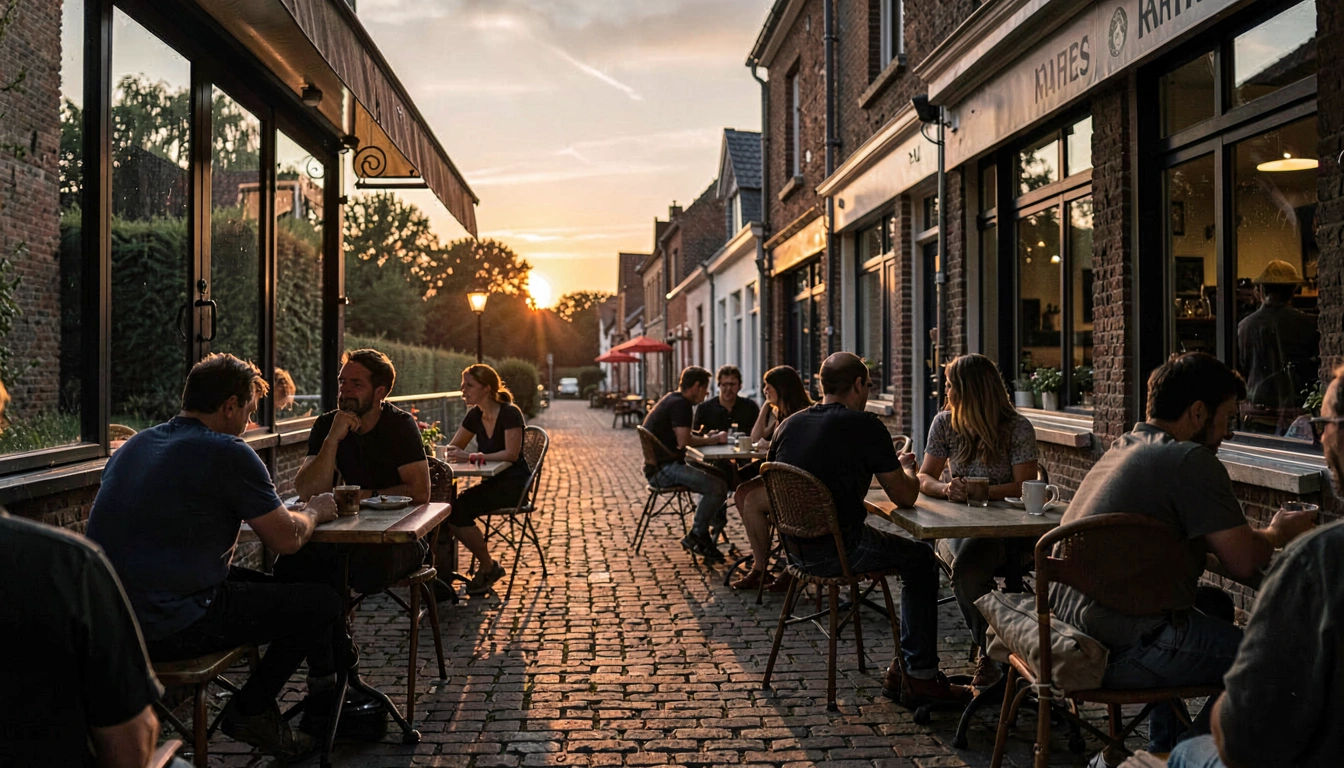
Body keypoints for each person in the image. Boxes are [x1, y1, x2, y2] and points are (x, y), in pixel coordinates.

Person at [1047, 352, 1316, 763]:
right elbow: (1243, 562)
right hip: (1117, 650)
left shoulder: (1126, 446)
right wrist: (1280, 532)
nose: (1228, 433)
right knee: (1279, 662)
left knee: (1214, 606)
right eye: (1227, 418)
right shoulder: (1190, 459)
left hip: (1070, 630)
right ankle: (1181, 757)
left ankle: (1162, 749)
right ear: (1197, 412)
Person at [86, 354, 347, 761]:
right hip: (173, 622)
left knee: (295, 592)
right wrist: (317, 510)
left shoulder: (136, 444)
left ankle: (319, 697)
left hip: (114, 623)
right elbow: (287, 538)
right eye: (247, 411)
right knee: (323, 602)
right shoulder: (228, 451)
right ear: (229, 406)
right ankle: (252, 711)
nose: (247, 422)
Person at [767, 352, 973, 707]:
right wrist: (905, 469)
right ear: (859, 384)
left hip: (797, 553)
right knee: (921, 560)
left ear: (821, 385)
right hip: (842, 550)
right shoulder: (865, 425)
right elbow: (906, 497)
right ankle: (919, 677)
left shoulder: (789, 425)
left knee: (912, 556)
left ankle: (902, 669)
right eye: (868, 385)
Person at [1167, 367, 1344, 768]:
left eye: (1322, 424)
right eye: (1229, 419)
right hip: (1140, 634)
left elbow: (1241, 741)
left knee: (1186, 752)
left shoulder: (1320, 560)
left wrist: (1278, 536)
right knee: (1212, 607)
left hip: (1108, 633)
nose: (1319, 439)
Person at [917, 354, 1038, 686]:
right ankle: (997, 656)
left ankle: (995, 657)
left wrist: (983, 490)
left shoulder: (1017, 427)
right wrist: (945, 489)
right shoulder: (944, 423)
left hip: (1009, 532)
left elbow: (1025, 486)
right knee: (963, 571)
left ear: (968, 390)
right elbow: (924, 476)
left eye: (950, 385)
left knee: (967, 574)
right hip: (958, 526)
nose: (946, 391)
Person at [295, 348, 430, 506]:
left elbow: (420, 492)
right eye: (342, 381)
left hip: (395, 520)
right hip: (345, 522)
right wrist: (331, 440)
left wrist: (364, 496)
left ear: (380, 392)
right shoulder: (327, 424)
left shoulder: (399, 425)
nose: (345, 389)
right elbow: (307, 493)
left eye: (356, 384)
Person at [441, 364, 528, 596]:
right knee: (451, 511)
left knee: (456, 512)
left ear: (487, 389)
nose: (462, 390)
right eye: (462, 384)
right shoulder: (475, 415)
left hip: (513, 485)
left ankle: (488, 567)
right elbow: (453, 447)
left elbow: (511, 454)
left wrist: (470, 457)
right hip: (491, 483)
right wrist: (448, 452)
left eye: (469, 385)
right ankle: (483, 567)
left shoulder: (510, 413)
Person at [730, 365, 813, 591]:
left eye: (769, 386)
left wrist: (771, 445)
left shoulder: (801, 414)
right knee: (741, 492)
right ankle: (762, 564)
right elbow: (756, 438)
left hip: (799, 484)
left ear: (782, 388)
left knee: (752, 501)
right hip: (779, 475)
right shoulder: (781, 412)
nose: (765, 389)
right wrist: (767, 405)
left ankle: (767, 566)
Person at [642, 365, 731, 562]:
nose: (707, 393)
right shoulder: (681, 405)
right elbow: (684, 441)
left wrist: (702, 437)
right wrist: (714, 439)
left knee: (719, 476)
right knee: (718, 487)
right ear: (696, 386)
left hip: (659, 467)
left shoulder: (671, 399)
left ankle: (705, 532)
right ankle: (698, 534)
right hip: (664, 471)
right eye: (705, 388)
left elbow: (679, 435)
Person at [1235, 259, 1319, 435]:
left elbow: (1242, 369)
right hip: (1295, 415)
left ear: (1262, 290)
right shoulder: (1308, 324)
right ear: (1293, 290)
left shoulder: (1244, 326)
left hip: (1255, 414)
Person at [692, 364, 760, 436]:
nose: (728, 389)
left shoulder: (750, 407)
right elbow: (696, 435)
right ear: (719, 385)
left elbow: (759, 434)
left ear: (740, 386)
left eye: (732, 384)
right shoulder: (704, 409)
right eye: (725, 384)